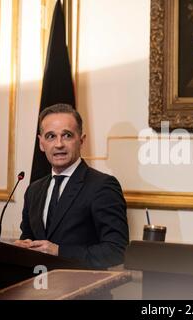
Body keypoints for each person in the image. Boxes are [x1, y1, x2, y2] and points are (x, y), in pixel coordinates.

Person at [14, 104, 128, 269]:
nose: (59, 144)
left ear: (81, 141)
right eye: (51, 136)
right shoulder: (34, 190)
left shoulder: (102, 186)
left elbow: (117, 250)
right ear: (41, 143)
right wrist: (23, 246)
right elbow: (29, 238)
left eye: (67, 135)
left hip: (83, 291)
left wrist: (60, 251)